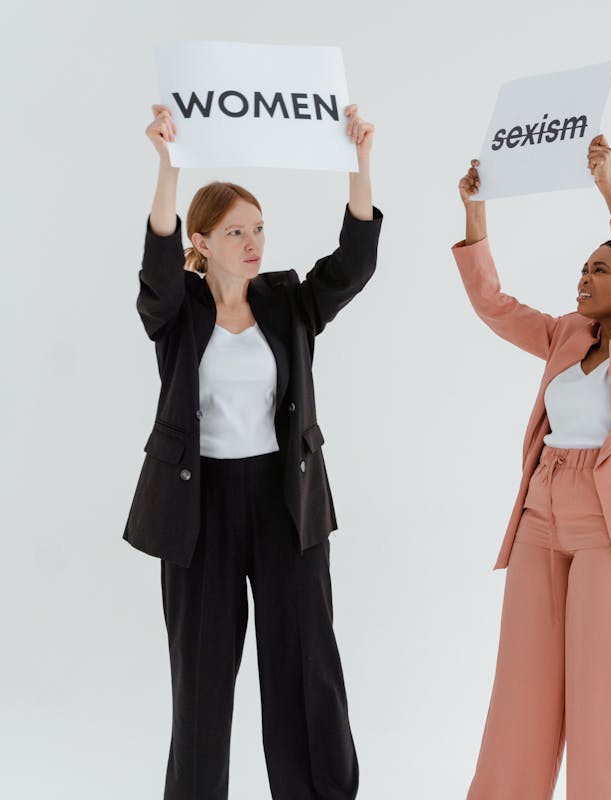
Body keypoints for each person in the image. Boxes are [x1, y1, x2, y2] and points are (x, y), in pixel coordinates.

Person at [125, 102, 382, 800]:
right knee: (202, 684)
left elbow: (354, 266)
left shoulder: (288, 301)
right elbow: (154, 266)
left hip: (284, 501)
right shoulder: (176, 310)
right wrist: (168, 169)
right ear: (202, 241)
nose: (254, 240)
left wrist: (359, 161)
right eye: (236, 230)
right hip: (198, 508)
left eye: (259, 227)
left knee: (307, 670)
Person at [453, 135, 611, 800]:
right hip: (543, 509)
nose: (584, 278)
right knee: (523, 688)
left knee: (603, 696)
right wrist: (476, 217)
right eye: (584, 268)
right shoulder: (567, 334)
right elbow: (494, 306)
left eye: (601, 269)